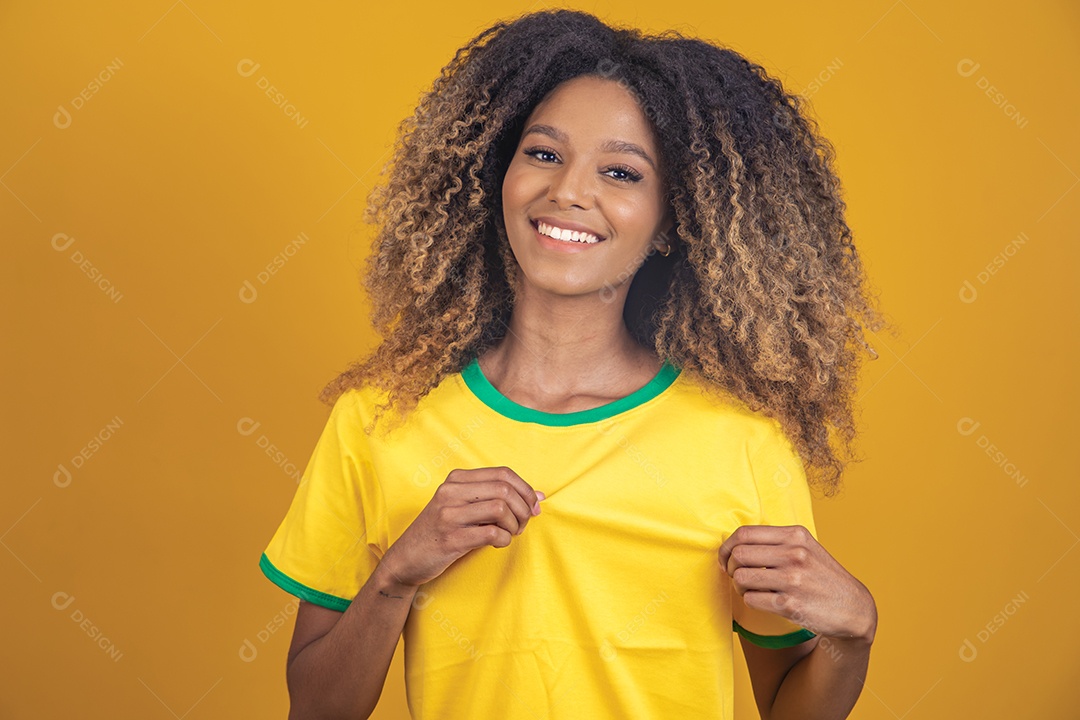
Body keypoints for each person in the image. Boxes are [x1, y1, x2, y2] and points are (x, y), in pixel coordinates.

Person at [258, 8, 885, 719]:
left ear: (674, 223)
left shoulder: (741, 442)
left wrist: (854, 633)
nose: (569, 193)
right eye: (544, 154)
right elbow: (315, 709)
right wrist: (399, 574)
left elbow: (790, 711)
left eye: (620, 171)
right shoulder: (378, 421)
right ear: (496, 174)